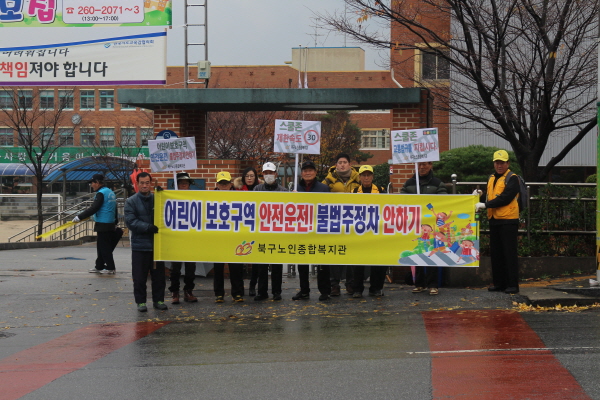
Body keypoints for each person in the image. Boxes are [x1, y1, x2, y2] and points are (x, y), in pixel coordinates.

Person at [476, 149, 520, 294]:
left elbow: (505, 198)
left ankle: (512, 285)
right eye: (497, 162)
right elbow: (491, 196)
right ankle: (499, 283)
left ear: (508, 163)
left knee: (509, 253)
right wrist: (479, 196)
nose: (499, 165)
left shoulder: (513, 178)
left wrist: (485, 205)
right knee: (496, 254)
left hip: (508, 220)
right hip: (494, 219)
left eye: (502, 163)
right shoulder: (491, 178)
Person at [401, 161, 448, 295]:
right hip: (415, 224)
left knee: (432, 253)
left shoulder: (437, 183)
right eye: (420, 164)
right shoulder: (409, 183)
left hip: (432, 225)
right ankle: (419, 283)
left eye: (425, 164)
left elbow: (444, 200)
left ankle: (433, 285)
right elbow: (401, 200)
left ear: (430, 165)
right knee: (418, 252)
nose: (422, 167)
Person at [124, 172, 168, 312]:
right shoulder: (131, 201)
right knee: (139, 277)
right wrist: (147, 227)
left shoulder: (157, 199)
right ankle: (141, 302)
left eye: (147, 183)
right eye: (142, 183)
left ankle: (159, 300)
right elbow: (131, 222)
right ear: (137, 184)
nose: (144, 185)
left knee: (159, 277)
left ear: (151, 183)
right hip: (140, 246)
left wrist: (163, 195)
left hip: (157, 246)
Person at [291, 160, 332, 302]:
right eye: (305, 170)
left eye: (310, 170)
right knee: (302, 262)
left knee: (322, 262)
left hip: (319, 229)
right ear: (301, 173)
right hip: (302, 229)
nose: (307, 173)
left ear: (315, 172)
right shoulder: (296, 188)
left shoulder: (323, 188)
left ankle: (325, 291)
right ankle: (304, 291)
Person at [322, 153, 360, 296]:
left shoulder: (358, 179)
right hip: (334, 221)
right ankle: (334, 284)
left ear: (350, 164)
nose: (342, 165)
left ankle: (350, 283)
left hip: (353, 222)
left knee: (351, 253)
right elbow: (319, 196)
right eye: (340, 162)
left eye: (345, 162)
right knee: (335, 252)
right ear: (336, 165)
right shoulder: (328, 181)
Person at [253, 162, 288, 301]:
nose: (268, 175)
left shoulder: (283, 191)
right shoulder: (257, 189)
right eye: (266, 173)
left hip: (277, 232)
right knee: (261, 265)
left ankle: (276, 291)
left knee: (276, 265)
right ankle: (262, 292)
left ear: (276, 174)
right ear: (262, 174)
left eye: (271, 173)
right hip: (262, 231)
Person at [73, 174, 121, 275]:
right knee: (101, 247)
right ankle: (99, 266)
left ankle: (111, 267)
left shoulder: (101, 193)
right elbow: (115, 208)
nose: (91, 185)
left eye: (92, 183)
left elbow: (94, 208)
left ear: (98, 182)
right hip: (110, 223)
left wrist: (79, 217)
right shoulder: (110, 192)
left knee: (104, 247)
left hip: (103, 223)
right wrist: (115, 221)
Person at [351, 165, 387, 298]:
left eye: (369, 175)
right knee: (358, 262)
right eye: (364, 175)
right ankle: (357, 289)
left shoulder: (382, 191)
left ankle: (376, 288)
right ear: (360, 177)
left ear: (372, 176)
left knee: (378, 262)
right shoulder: (354, 192)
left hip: (376, 231)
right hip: (359, 231)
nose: (366, 177)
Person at [213, 171, 245, 302]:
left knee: (236, 267)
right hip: (217, 237)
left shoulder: (239, 196)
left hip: (234, 236)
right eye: (221, 184)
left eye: (226, 183)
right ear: (217, 185)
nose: (224, 186)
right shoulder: (209, 197)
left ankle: (237, 293)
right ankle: (218, 294)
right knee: (218, 268)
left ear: (231, 184)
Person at [168, 172, 198, 304]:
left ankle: (188, 290)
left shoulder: (195, 197)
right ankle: (175, 291)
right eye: (181, 182)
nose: (184, 184)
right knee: (175, 268)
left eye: (186, 182)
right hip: (176, 238)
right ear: (176, 184)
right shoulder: (170, 197)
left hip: (190, 237)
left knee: (191, 268)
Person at [234, 166, 260, 296]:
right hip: (241, 228)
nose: (249, 178)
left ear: (256, 177)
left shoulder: (261, 190)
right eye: (247, 176)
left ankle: (252, 285)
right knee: (239, 258)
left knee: (256, 260)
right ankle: (240, 287)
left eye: (252, 176)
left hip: (256, 228)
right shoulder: (237, 191)